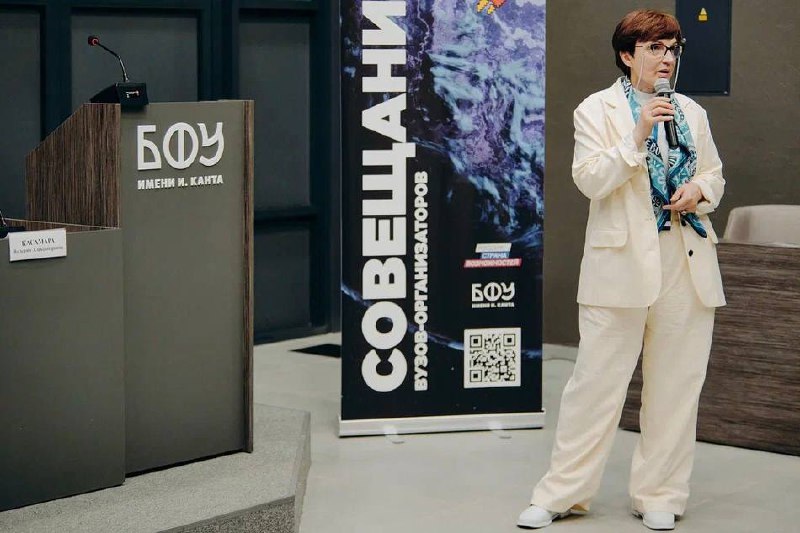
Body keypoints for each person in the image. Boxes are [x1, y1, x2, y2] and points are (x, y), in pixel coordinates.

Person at [517, 9, 725, 531]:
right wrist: (638, 133)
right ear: (627, 55)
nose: (667, 58)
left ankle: (660, 494)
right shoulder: (596, 110)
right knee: (593, 386)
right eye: (656, 48)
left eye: (673, 48)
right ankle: (563, 493)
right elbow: (590, 180)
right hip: (620, 264)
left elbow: (714, 176)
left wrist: (698, 191)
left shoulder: (692, 112)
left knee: (676, 387)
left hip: (685, 262)